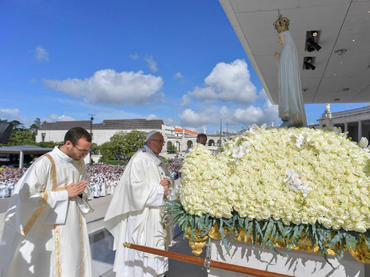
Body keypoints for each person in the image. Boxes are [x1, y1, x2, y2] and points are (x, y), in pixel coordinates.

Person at [0, 127, 93, 277]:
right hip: (48, 228)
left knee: (73, 262)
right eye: (82, 150)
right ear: (68, 143)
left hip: (74, 224)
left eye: (87, 151)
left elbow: (82, 189)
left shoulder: (80, 163)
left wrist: (81, 193)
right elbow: (25, 198)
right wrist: (64, 194)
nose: (85, 155)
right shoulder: (45, 163)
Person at [104, 130, 170, 277]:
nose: (162, 145)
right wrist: (160, 190)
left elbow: (166, 181)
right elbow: (134, 189)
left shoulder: (158, 160)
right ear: (149, 142)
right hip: (142, 214)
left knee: (155, 246)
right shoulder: (140, 159)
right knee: (141, 251)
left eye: (163, 142)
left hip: (156, 213)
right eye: (159, 141)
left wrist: (167, 184)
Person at [274, 14, 307, 127]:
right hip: (287, 78)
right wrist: (279, 59)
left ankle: (292, 115)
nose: (279, 41)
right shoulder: (288, 49)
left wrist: (279, 58)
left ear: (284, 37)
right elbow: (285, 66)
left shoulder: (287, 49)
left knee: (289, 93)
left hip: (287, 80)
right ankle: (292, 116)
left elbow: (285, 67)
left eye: (280, 38)